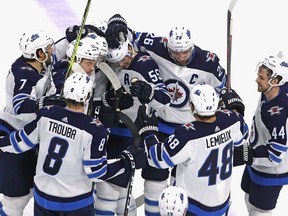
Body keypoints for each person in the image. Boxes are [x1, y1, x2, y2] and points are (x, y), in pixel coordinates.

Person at [104, 14, 243, 215]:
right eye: (175, 53)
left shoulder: (209, 63)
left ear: (192, 46)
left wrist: (232, 104)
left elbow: (224, 90)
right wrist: (117, 24)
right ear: (168, 46)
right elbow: (127, 35)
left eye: (185, 52)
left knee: (184, 185)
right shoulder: (157, 46)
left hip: (193, 131)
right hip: (161, 124)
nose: (180, 57)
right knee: (154, 179)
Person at [0, 72, 147, 215]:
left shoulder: (46, 114)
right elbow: (97, 172)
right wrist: (127, 161)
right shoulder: (94, 130)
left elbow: (18, 143)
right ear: (88, 96)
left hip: (43, 200)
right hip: (75, 204)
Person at [134, 83, 252, 215]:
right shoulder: (232, 121)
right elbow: (243, 133)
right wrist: (235, 109)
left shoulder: (187, 135)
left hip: (193, 207)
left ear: (192, 106)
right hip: (222, 204)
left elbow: (158, 159)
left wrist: (148, 133)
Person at [94, 38, 170, 215]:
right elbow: (99, 95)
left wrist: (150, 93)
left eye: (124, 58)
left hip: (146, 132)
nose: (122, 63)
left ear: (129, 47)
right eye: (117, 61)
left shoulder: (145, 64)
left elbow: (165, 100)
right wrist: (109, 100)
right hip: (117, 132)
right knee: (113, 186)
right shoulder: (109, 64)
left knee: (155, 182)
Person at [0, 30, 66, 216]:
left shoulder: (39, 62)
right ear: (38, 54)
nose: (51, 51)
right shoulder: (23, 73)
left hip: (32, 135)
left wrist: (73, 33)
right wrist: (44, 102)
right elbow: (20, 104)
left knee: (32, 190)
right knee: (16, 200)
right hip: (13, 134)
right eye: (47, 49)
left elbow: (59, 51)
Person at [241, 55, 288, 216]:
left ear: (275, 81)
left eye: (261, 77)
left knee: (259, 211)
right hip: (256, 160)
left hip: (271, 171)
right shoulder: (277, 88)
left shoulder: (275, 116)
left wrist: (247, 156)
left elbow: (275, 155)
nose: (256, 80)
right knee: (248, 198)